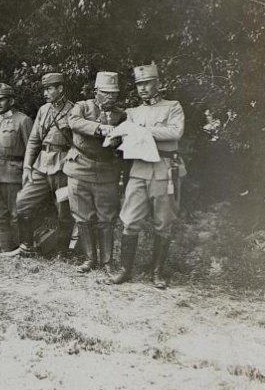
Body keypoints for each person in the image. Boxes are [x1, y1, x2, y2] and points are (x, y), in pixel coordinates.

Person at [111, 62, 186, 289]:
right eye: (139, 84)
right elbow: (125, 136)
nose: (142, 88)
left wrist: (142, 131)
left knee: (163, 222)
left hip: (164, 169)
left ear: (158, 84)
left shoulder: (173, 107)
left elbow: (175, 132)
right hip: (139, 169)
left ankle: (157, 273)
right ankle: (125, 270)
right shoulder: (132, 113)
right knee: (129, 219)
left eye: (147, 83)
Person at [64, 71, 126, 275]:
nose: (111, 97)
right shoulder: (82, 107)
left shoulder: (121, 115)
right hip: (79, 167)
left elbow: (126, 138)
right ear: (96, 91)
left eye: (114, 93)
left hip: (106, 171)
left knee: (106, 217)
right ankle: (90, 259)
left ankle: (107, 261)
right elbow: (74, 122)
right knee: (82, 216)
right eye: (106, 92)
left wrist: (118, 139)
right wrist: (100, 128)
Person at [15, 72, 75, 256]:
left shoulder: (73, 110)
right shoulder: (43, 110)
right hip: (41, 164)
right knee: (22, 202)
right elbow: (34, 141)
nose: (45, 93)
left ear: (60, 88)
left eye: (49, 89)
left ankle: (62, 253)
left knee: (64, 211)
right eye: (44, 89)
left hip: (63, 165)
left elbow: (78, 143)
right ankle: (26, 246)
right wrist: (27, 167)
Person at [0, 82, 32, 252]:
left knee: (17, 214)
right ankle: (5, 250)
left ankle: (21, 250)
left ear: (11, 101)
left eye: (2, 99)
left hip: (13, 174)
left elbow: (31, 150)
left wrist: (28, 174)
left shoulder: (23, 121)